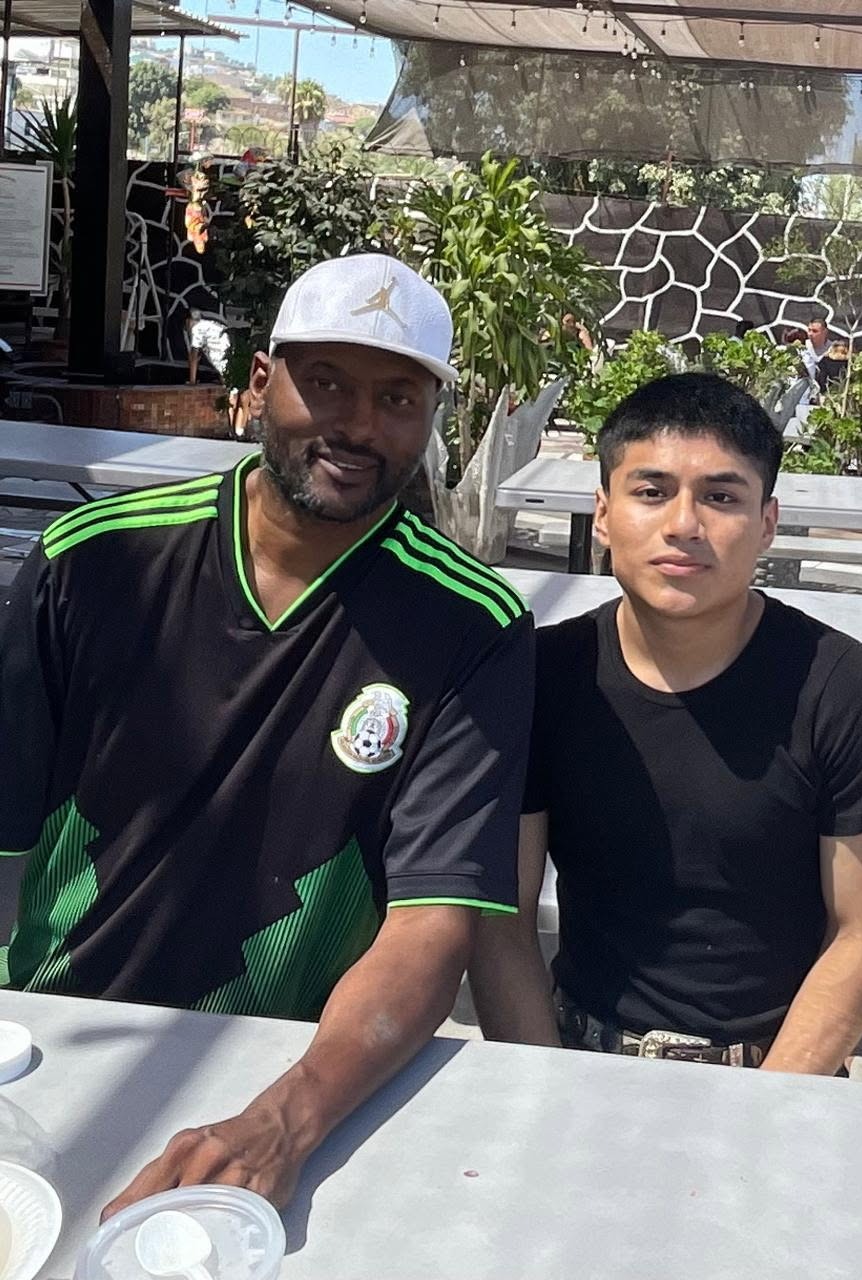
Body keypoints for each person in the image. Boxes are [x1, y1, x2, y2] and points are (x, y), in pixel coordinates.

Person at [0, 254, 534, 1214]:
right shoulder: (95, 559)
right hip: (56, 1039)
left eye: (397, 398)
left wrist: (287, 1119)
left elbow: (432, 918)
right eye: (325, 381)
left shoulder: (472, 624)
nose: (358, 425)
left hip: (302, 1070)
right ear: (258, 383)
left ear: (430, 419)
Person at [470, 371, 862, 1074]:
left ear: (767, 524)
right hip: (579, 1056)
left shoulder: (840, 687)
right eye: (651, 491)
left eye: (721, 497)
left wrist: (768, 1101)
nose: (683, 525)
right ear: (602, 513)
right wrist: (540, 1082)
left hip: (778, 1070)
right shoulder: (544, 676)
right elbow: (502, 915)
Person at [184, 307, 231, 385]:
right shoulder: (206, 322)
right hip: (225, 340)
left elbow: (194, 356)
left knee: (216, 358)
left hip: (220, 344)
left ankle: (224, 380)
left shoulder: (197, 328)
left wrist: (192, 381)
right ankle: (224, 380)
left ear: (188, 320)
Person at [802, 315, 833, 381]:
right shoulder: (803, 346)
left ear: (825, 332)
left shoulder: (832, 349)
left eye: (815, 331)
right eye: (809, 330)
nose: (810, 334)